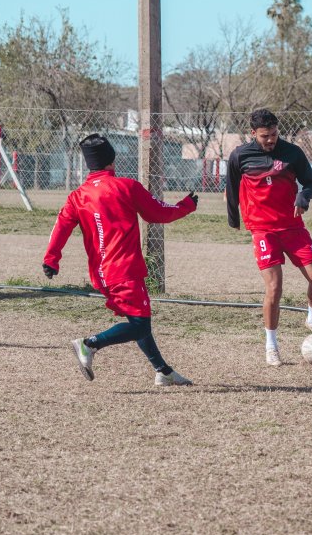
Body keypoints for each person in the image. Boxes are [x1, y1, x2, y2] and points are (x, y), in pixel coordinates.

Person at [43, 133, 198, 386]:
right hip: (124, 269)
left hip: (101, 274)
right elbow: (158, 213)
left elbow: (61, 226)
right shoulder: (126, 186)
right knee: (140, 325)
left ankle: (163, 371)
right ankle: (89, 344)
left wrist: (51, 259)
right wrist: (187, 205)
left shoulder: (77, 196)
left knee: (137, 319)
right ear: (112, 161)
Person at [227, 109, 312, 366]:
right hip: (263, 230)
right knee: (274, 288)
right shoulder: (240, 156)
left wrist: (303, 197)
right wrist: (234, 220)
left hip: (293, 227)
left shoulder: (292, 153)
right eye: (264, 136)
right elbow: (231, 187)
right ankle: (271, 346)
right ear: (253, 133)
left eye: (273, 134)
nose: (270, 140)